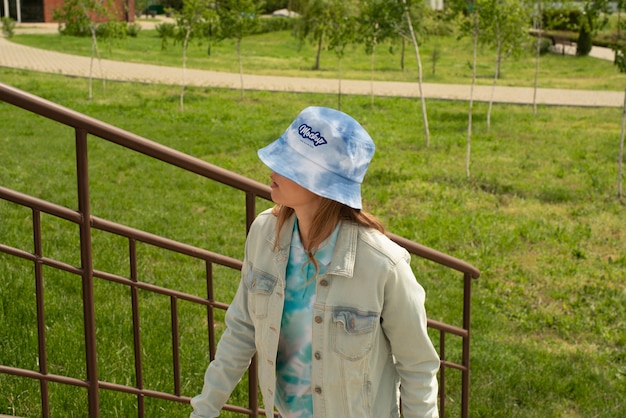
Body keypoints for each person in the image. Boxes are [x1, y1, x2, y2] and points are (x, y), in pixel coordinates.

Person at [190, 106, 440, 418]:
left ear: (321, 184)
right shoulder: (264, 233)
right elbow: (241, 329)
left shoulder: (384, 266)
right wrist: (204, 410)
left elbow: (418, 368)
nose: (271, 168)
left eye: (289, 163)